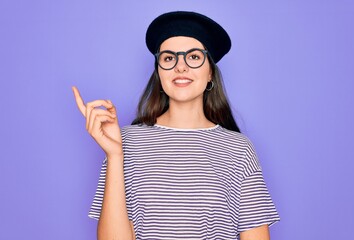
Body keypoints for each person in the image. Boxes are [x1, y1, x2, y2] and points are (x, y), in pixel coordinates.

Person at [73, 11, 279, 240]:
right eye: (169, 58)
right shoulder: (125, 143)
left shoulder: (239, 150)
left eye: (193, 57)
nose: (180, 67)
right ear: (159, 72)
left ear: (210, 72)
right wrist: (114, 154)